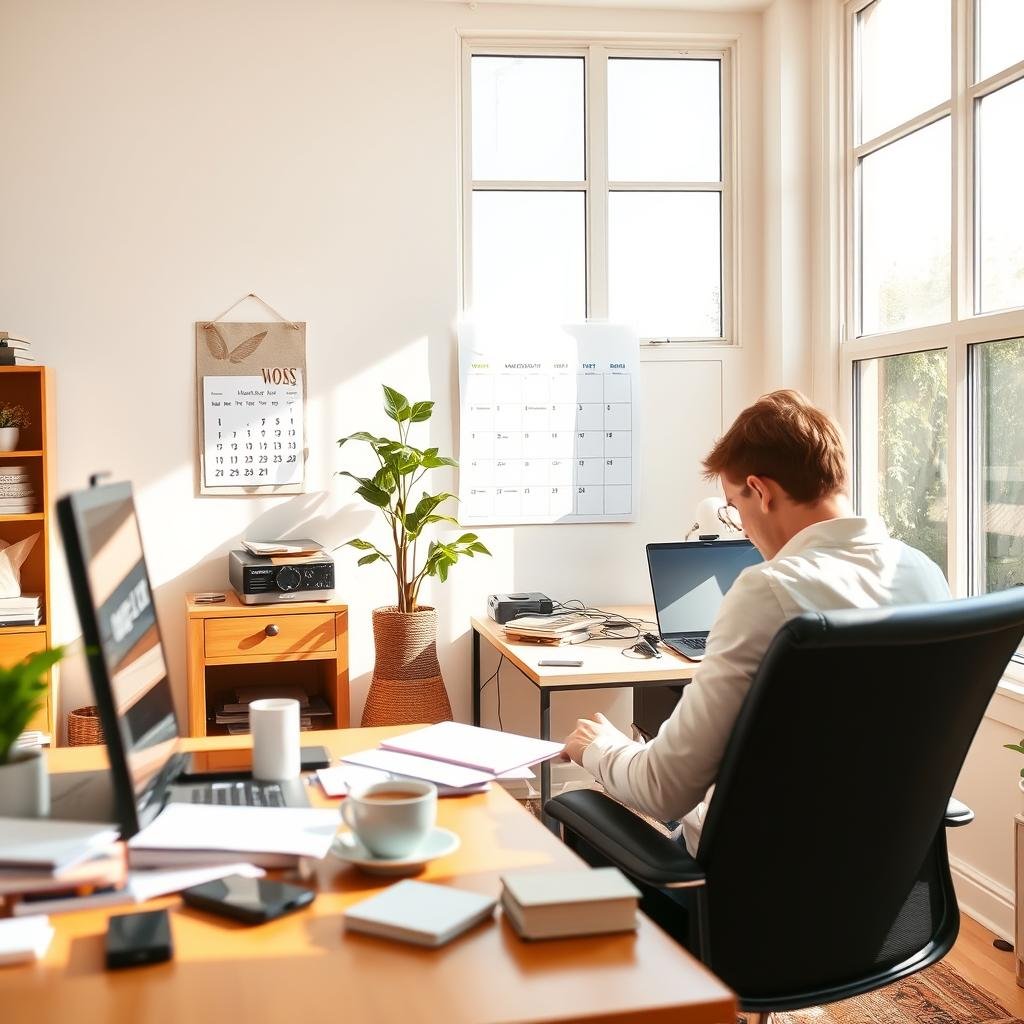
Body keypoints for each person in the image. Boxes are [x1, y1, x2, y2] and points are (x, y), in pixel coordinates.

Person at [563, 389, 951, 854]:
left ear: (762, 492)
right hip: (890, 885)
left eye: (734, 506)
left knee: (576, 805)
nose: (740, 527)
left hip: (752, 891)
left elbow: (661, 788)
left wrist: (598, 747)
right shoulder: (924, 573)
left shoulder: (769, 589)